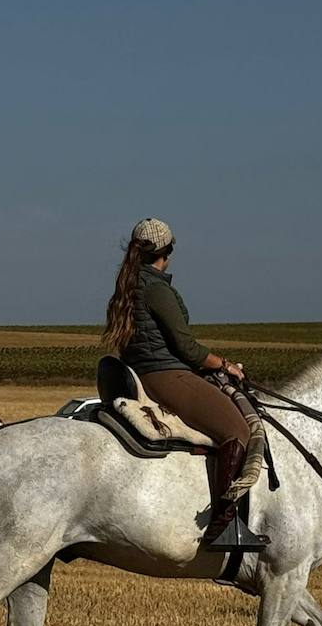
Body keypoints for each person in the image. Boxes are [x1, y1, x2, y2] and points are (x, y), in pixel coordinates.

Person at [103, 218, 254, 548]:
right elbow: (186, 347)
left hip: (140, 373)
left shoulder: (127, 284)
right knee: (238, 430)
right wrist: (225, 365)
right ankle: (224, 524)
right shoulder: (156, 288)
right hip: (167, 376)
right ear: (166, 253)